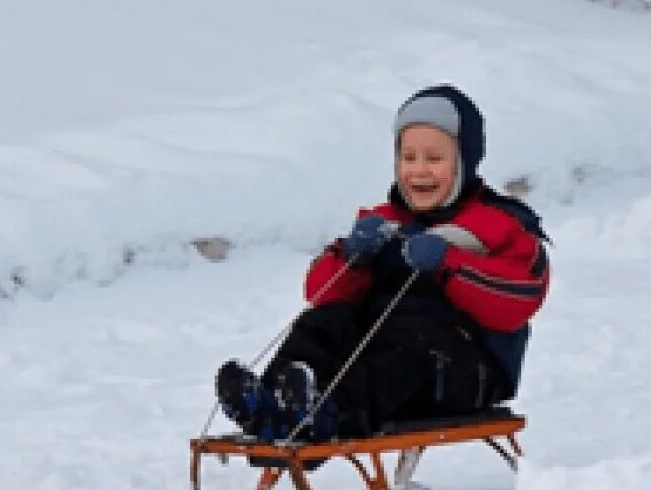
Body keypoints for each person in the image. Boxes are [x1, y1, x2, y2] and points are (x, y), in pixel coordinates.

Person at [216, 84, 550, 443]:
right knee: (326, 321)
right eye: (409, 158)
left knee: (412, 337)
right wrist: (351, 259)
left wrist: (448, 264)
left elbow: (520, 297)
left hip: (465, 373)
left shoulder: (497, 224)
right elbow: (319, 292)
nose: (419, 171)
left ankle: (329, 415)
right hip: (388, 366)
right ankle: (272, 403)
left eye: (434, 159)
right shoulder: (386, 220)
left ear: (464, 161)